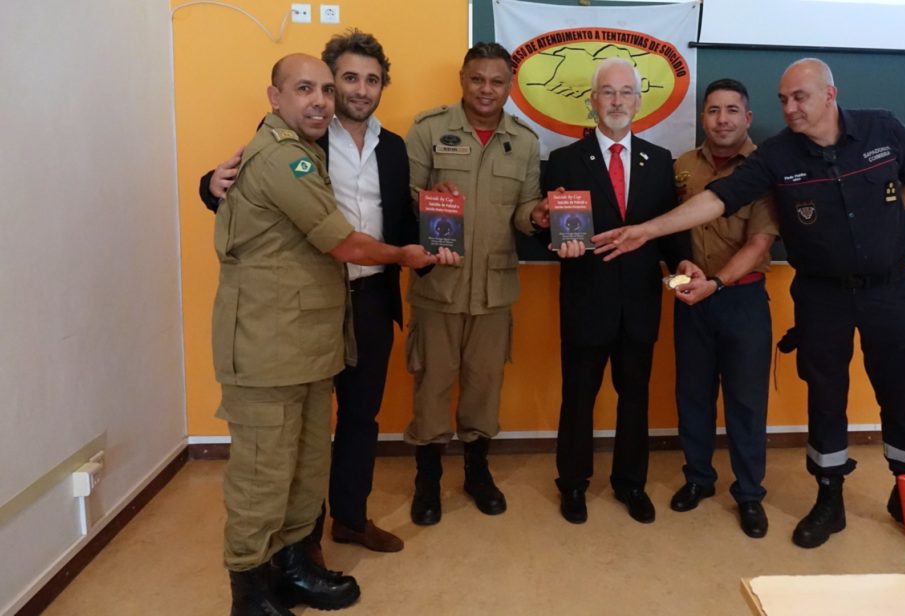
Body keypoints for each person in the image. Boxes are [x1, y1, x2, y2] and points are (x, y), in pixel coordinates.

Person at [593, 58, 905, 548]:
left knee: (900, 392)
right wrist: (645, 231)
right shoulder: (777, 155)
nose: (790, 108)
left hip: (889, 289)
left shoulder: (882, 129)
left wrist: (888, 222)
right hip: (822, 295)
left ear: (830, 95)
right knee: (825, 398)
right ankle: (829, 500)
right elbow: (718, 199)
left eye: (800, 97)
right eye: (783, 99)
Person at [214, 54, 433, 615]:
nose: (321, 99)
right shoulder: (284, 154)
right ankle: (250, 592)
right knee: (264, 472)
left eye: (325, 90)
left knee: (307, 461)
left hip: (318, 332)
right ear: (275, 97)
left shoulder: (338, 147)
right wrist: (404, 257)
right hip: (270, 340)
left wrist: (432, 233)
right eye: (306, 89)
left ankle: (294, 568)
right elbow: (341, 241)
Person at [532, 57, 689, 524]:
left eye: (625, 93)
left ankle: (630, 483)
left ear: (638, 102)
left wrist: (682, 273)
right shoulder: (563, 161)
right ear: (592, 101)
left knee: (635, 398)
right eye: (608, 92)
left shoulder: (659, 161)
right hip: (586, 302)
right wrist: (552, 240)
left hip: (640, 305)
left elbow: (671, 236)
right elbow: (548, 231)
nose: (617, 101)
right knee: (578, 397)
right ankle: (573, 483)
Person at [402, 42, 541, 526]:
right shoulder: (429, 129)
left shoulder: (524, 141)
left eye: (497, 81)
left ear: (510, 86)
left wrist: (539, 215)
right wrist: (426, 197)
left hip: (494, 289)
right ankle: (427, 480)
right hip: (438, 285)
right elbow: (403, 195)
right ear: (462, 78)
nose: (486, 90)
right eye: (477, 79)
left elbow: (524, 211)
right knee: (432, 385)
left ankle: (477, 473)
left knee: (484, 386)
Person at [667, 79, 778, 539]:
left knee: (746, 403)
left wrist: (716, 283)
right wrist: (680, 271)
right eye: (713, 110)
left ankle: (749, 493)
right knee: (692, 395)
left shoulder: (765, 168)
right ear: (703, 118)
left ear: (747, 118)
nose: (722, 119)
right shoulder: (683, 166)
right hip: (691, 297)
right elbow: (673, 232)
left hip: (742, 301)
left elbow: (760, 241)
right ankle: (698, 478)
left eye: (732, 110)